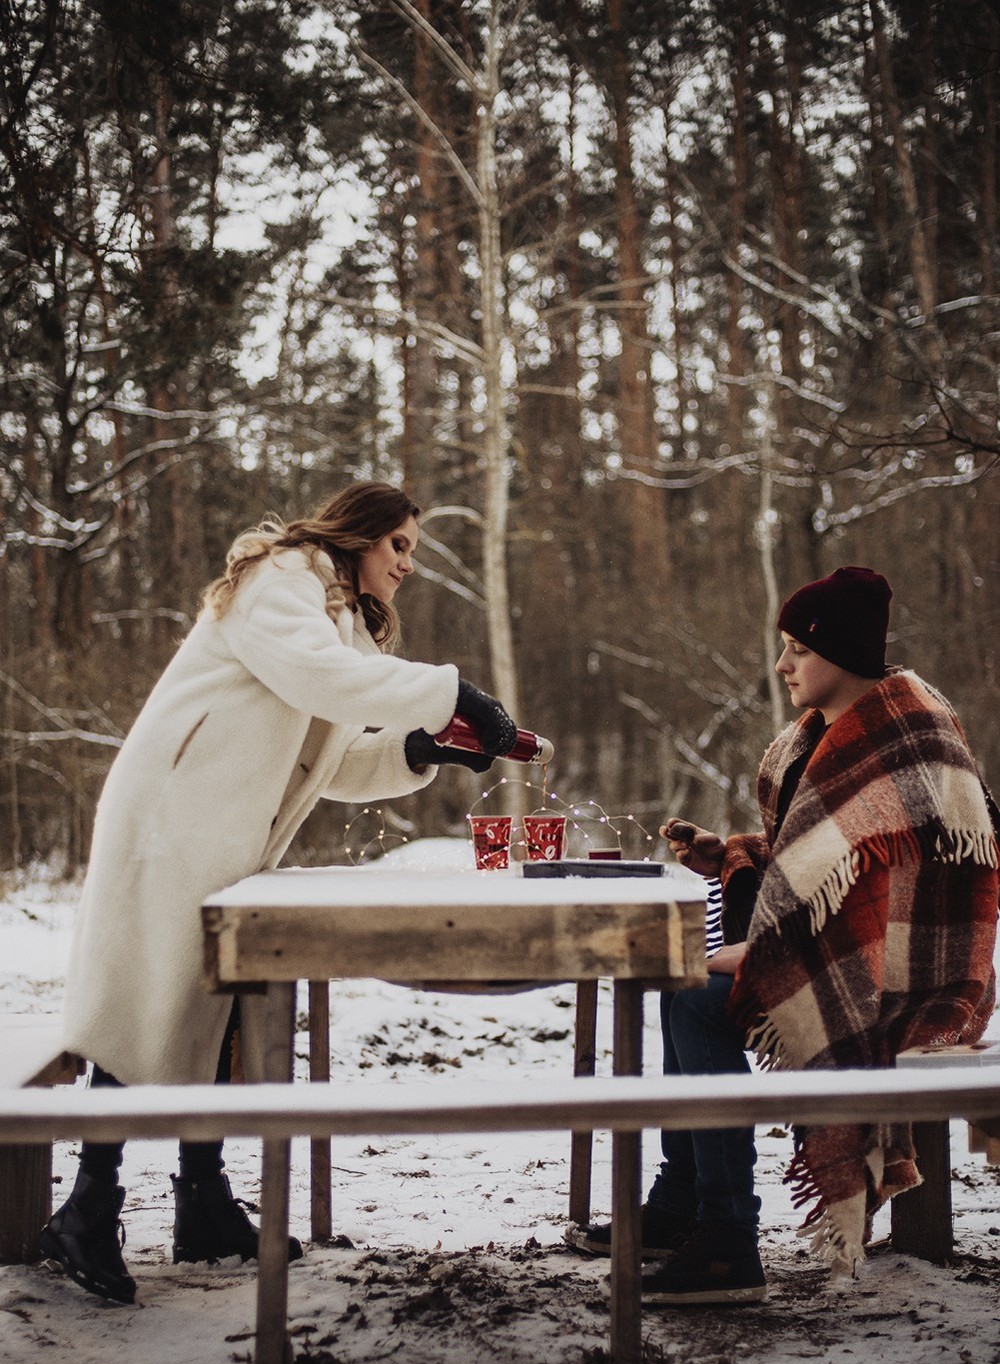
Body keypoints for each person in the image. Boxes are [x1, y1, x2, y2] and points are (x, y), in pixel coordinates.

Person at [38, 481, 517, 1306]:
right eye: (399, 545)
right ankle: (87, 1205)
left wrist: (422, 746)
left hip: (223, 829)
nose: (408, 565)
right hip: (171, 811)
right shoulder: (283, 577)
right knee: (142, 999)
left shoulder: (340, 622)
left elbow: (334, 759)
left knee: (214, 1001)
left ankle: (202, 1201)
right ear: (359, 535)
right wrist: (451, 694)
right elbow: (325, 683)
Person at [578, 566, 999, 1306]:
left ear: (839, 651)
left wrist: (770, 951)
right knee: (688, 988)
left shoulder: (912, 734)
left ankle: (727, 1239)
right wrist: (734, 857)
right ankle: (684, 1205)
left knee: (701, 1001)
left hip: (907, 977)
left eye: (797, 648)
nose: (783, 665)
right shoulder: (817, 739)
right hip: (846, 952)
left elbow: (905, 890)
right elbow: (825, 864)